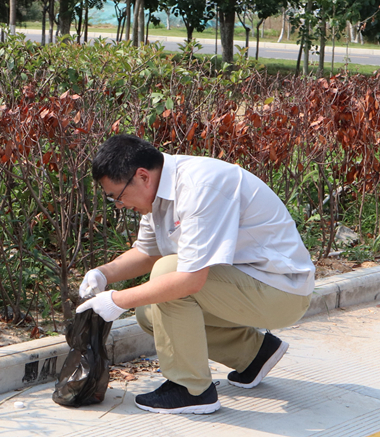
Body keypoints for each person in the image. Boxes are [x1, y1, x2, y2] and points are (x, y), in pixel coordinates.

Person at [76, 134, 315, 415]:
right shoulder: (158, 195)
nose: (119, 205)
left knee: (168, 274)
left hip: (282, 291)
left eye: (118, 196)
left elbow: (189, 280)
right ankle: (254, 354)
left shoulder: (199, 187)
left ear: (142, 176)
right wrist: (102, 274)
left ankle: (191, 390)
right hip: (250, 284)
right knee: (149, 313)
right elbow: (147, 252)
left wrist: (116, 300)